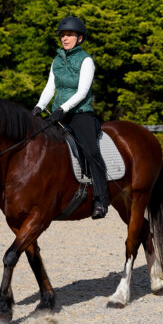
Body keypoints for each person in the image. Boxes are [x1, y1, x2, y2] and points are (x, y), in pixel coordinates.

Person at [32, 16, 109, 219]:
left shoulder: (86, 60)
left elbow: (82, 92)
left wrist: (62, 109)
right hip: (59, 113)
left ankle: (101, 199)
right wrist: (39, 106)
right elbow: (51, 86)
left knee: (91, 151)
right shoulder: (57, 60)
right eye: (63, 35)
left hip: (80, 114)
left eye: (70, 35)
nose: (65, 38)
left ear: (80, 38)